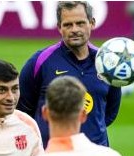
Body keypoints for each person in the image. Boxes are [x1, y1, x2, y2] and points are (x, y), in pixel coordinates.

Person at [18, 0, 121, 147]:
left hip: (95, 153)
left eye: (80, 23)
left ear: (92, 23)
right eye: (68, 25)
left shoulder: (107, 63)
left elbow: (110, 112)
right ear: (59, 27)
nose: (74, 29)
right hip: (52, 153)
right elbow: (23, 110)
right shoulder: (40, 61)